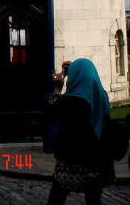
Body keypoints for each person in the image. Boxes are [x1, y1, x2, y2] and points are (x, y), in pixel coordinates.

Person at [47, 59, 114, 205]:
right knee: (94, 200)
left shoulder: (72, 101)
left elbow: (53, 115)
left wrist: (58, 89)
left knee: (56, 198)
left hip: (71, 160)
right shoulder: (101, 95)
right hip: (96, 158)